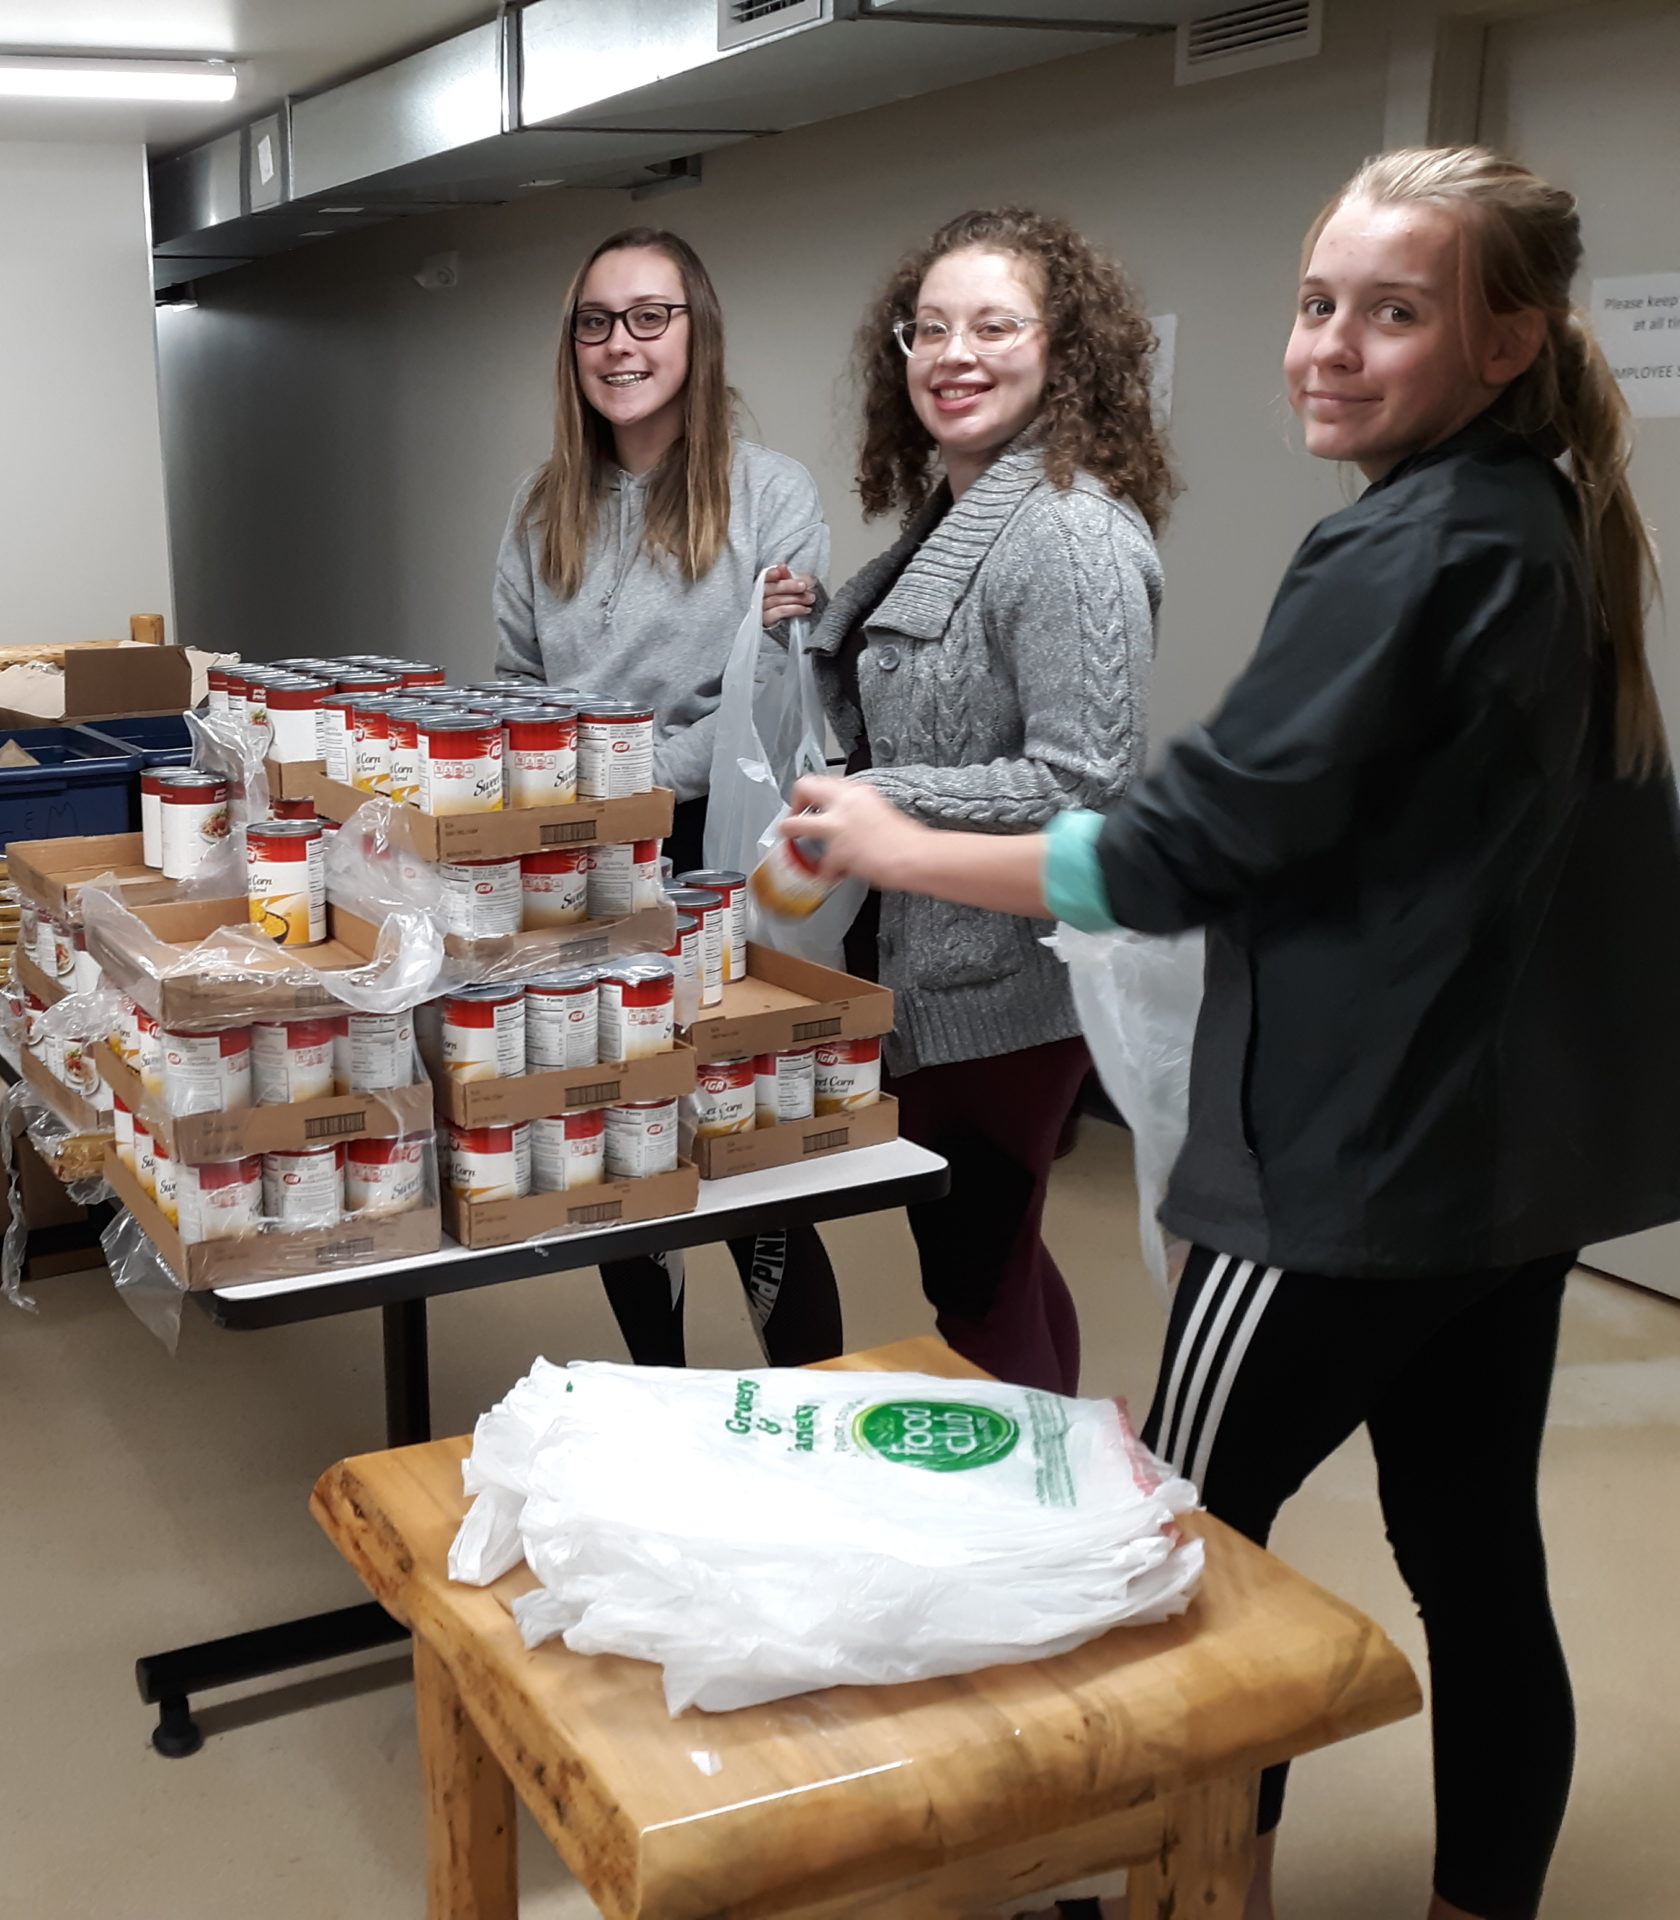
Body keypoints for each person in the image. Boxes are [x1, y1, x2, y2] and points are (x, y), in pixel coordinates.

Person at [794, 149, 1680, 1920]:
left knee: (1163, 1543)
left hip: (1350, 1172)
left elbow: (1166, 845)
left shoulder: (1403, 550)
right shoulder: (1537, 521)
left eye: (1393, 313)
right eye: (1317, 302)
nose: (1329, 346)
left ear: (1506, 343)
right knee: (1476, 1556)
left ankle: (1204, 1897)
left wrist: (895, 840)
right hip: (1492, 1173)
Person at [800, 208, 1168, 1395]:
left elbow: (1084, 781)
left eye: (996, 327)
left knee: (976, 1274)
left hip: (1004, 987)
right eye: (930, 329)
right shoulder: (964, 512)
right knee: (993, 1256)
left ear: (1064, 351)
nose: (954, 354)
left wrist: (880, 798)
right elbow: (930, 695)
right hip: (938, 962)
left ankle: (1042, 1493)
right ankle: (1063, 1458)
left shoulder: (1067, 533)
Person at [494, 225, 837, 1369]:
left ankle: (801, 1407)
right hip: (581, 862)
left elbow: (771, 699)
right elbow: (514, 684)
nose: (620, 344)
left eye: (650, 317)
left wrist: (628, 775)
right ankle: (661, 1397)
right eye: (595, 322)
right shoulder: (542, 505)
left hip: (713, 854)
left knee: (744, 1147)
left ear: (698, 332)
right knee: (614, 1135)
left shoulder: (768, 493)